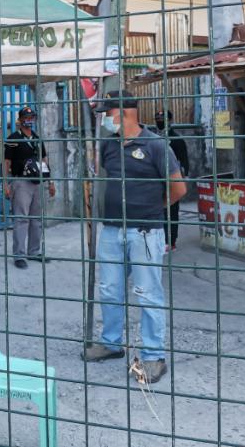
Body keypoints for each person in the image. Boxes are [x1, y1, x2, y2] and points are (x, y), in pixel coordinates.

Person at [82, 91, 186, 385]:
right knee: (109, 289)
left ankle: (154, 357)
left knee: (148, 293)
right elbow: (98, 175)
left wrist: (152, 208)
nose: (104, 119)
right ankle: (111, 343)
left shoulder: (156, 146)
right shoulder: (109, 145)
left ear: (124, 112)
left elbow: (178, 189)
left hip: (145, 232)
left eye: (107, 113)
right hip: (111, 230)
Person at [3, 106, 56, 269]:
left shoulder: (37, 139)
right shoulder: (13, 139)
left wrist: (50, 182)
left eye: (32, 117)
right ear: (20, 120)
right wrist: (5, 183)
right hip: (21, 182)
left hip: (38, 182)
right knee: (21, 219)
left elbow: (44, 160)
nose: (29, 120)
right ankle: (19, 255)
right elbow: (7, 162)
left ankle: (34, 251)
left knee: (36, 219)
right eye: (26, 118)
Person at [155, 109, 190, 251]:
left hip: (172, 181)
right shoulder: (153, 138)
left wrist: (183, 178)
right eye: (157, 119)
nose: (159, 121)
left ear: (170, 120)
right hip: (156, 181)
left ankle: (171, 241)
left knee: (172, 211)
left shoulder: (176, 140)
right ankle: (159, 239)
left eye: (162, 119)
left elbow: (184, 161)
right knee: (158, 210)